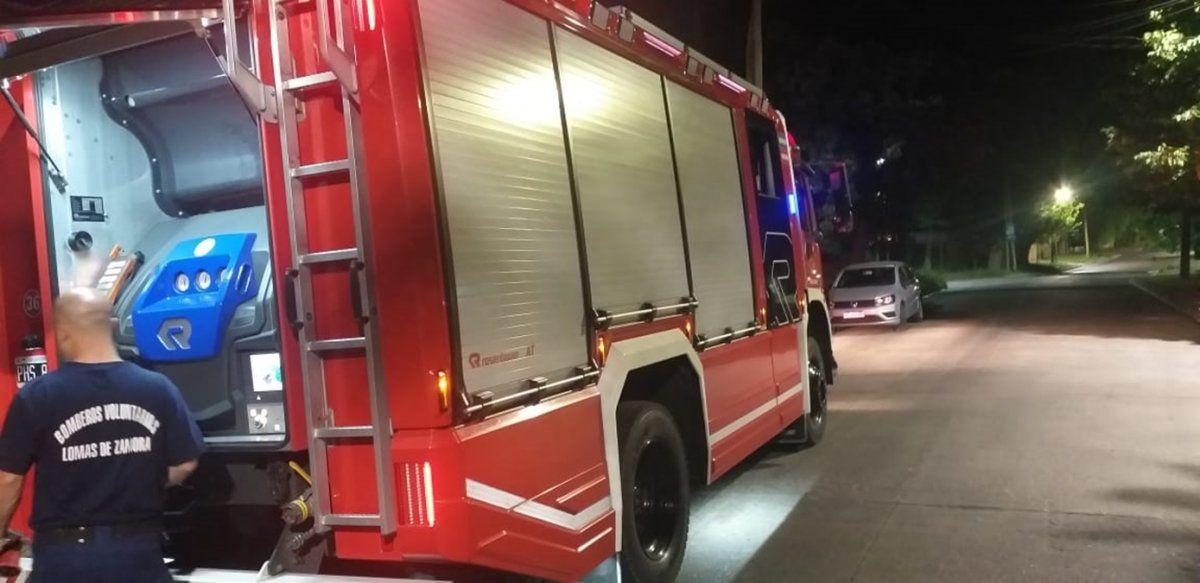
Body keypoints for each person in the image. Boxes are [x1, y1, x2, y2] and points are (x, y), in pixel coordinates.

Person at [0, 287, 205, 582]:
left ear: (63, 333)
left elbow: (8, 478)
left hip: (64, 559)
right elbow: (186, 462)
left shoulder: (37, 396)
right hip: (139, 552)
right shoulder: (157, 388)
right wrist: (140, 480)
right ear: (112, 327)